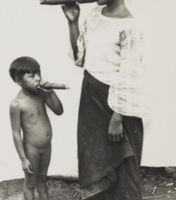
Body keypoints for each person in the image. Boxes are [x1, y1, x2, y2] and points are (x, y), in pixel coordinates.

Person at [62, 0, 145, 199]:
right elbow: (80, 58)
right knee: (93, 159)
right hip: (91, 97)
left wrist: (117, 118)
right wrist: (72, 22)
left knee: (122, 164)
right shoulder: (94, 14)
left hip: (116, 105)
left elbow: (130, 75)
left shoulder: (129, 27)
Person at [9, 56, 63, 200]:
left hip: (46, 146)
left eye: (39, 74)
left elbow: (59, 111)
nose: (38, 78)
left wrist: (51, 91)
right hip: (31, 149)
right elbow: (16, 133)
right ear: (19, 81)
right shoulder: (17, 104)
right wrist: (23, 159)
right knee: (30, 184)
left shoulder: (42, 93)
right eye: (32, 76)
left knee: (42, 178)